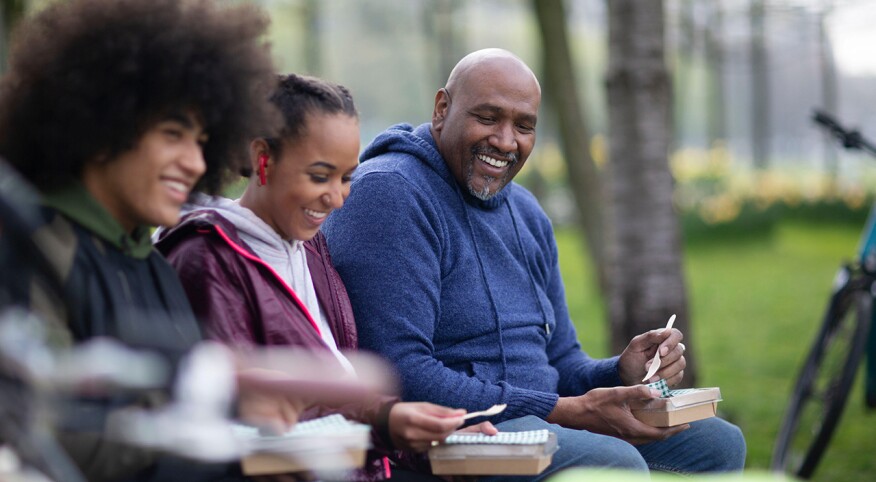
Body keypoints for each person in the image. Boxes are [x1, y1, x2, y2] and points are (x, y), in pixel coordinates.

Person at [322, 48, 747, 479]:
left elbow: (561, 358)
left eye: (524, 126)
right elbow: (398, 372)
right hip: (452, 434)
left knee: (715, 444)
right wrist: (563, 411)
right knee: (612, 462)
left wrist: (619, 371)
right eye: (488, 118)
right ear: (441, 109)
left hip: (539, 419)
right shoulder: (390, 194)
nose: (506, 142)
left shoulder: (526, 212)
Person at [0, 0, 306, 480]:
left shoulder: (153, 264)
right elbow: (45, 436)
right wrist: (227, 430)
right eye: (172, 133)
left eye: (202, 141)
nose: (197, 163)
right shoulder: (28, 249)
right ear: (102, 127)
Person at [155, 73, 497, 481]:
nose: (336, 198)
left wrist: (427, 442)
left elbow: (338, 392)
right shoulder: (207, 259)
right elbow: (245, 425)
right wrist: (387, 426)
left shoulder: (310, 247)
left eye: (346, 177)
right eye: (319, 176)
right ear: (263, 158)